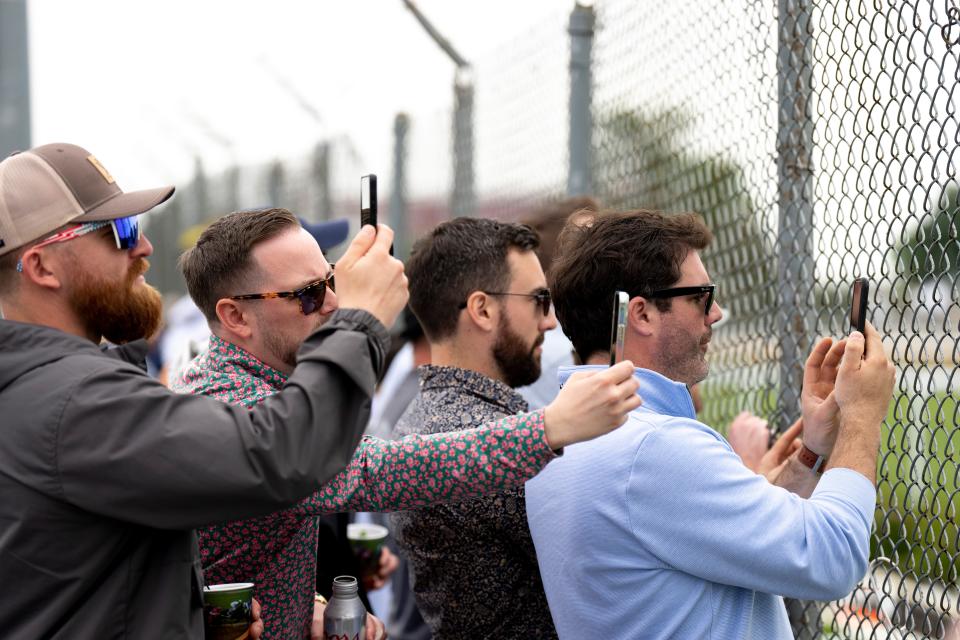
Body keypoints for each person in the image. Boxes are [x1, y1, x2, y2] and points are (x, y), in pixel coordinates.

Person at [170, 208, 641, 639]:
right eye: (308, 295)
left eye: (330, 280)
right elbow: (383, 470)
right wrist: (550, 428)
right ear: (235, 316)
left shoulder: (252, 385)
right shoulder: (231, 404)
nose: (333, 302)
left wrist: (302, 607)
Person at [0, 142, 407, 638]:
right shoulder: (74, 401)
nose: (144, 247)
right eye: (119, 231)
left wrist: (195, 619)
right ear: (42, 266)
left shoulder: (45, 389)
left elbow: (81, 583)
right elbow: (279, 455)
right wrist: (358, 323)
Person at [525, 209, 897, 639]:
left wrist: (813, 450)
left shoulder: (561, 440)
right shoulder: (653, 447)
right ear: (641, 314)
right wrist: (862, 416)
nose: (716, 313)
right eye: (702, 296)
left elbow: (709, 531)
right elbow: (833, 557)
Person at [391, 218, 628, 638]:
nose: (550, 322)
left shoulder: (429, 415)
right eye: (539, 300)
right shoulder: (482, 440)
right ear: (482, 309)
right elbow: (620, 551)